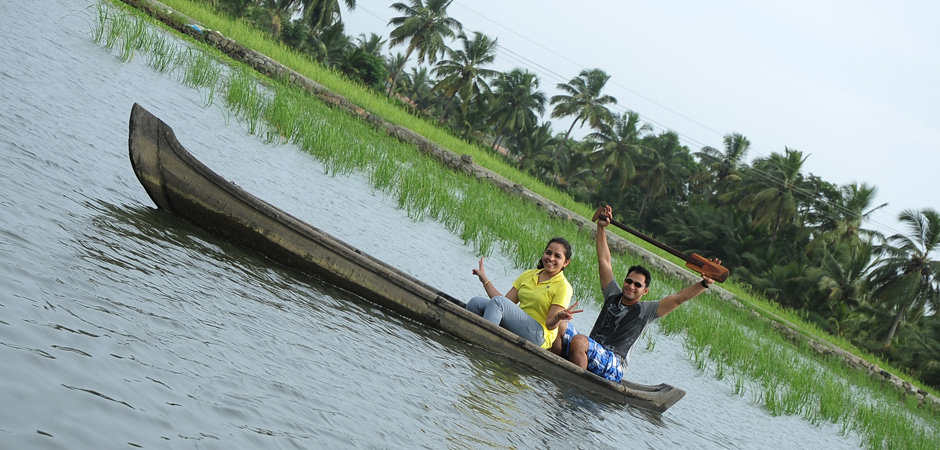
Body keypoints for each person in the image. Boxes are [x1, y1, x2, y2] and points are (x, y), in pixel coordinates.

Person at [560, 205, 715, 382]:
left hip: (614, 363)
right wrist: (601, 227)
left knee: (580, 341)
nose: (631, 286)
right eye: (629, 281)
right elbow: (604, 260)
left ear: (645, 290)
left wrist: (704, 283)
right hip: (591, 350)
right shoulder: (612, 294)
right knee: (560, 325)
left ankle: (572, 383)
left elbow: (679, 299)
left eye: (637, 285)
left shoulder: (646, 311)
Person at [466, 237, 583, 350]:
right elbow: (504, 302)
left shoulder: (563, 287)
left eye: (557, 256)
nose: (551, 258)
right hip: (520, 323)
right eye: (548, 253)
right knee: (476, 303)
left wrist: (558, 317)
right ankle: (467, 336)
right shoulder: (529, 274)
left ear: (566, 262)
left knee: (498, 303)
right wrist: (484, 279)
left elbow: (550, 325)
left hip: (539, 334)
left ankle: (482, 343)